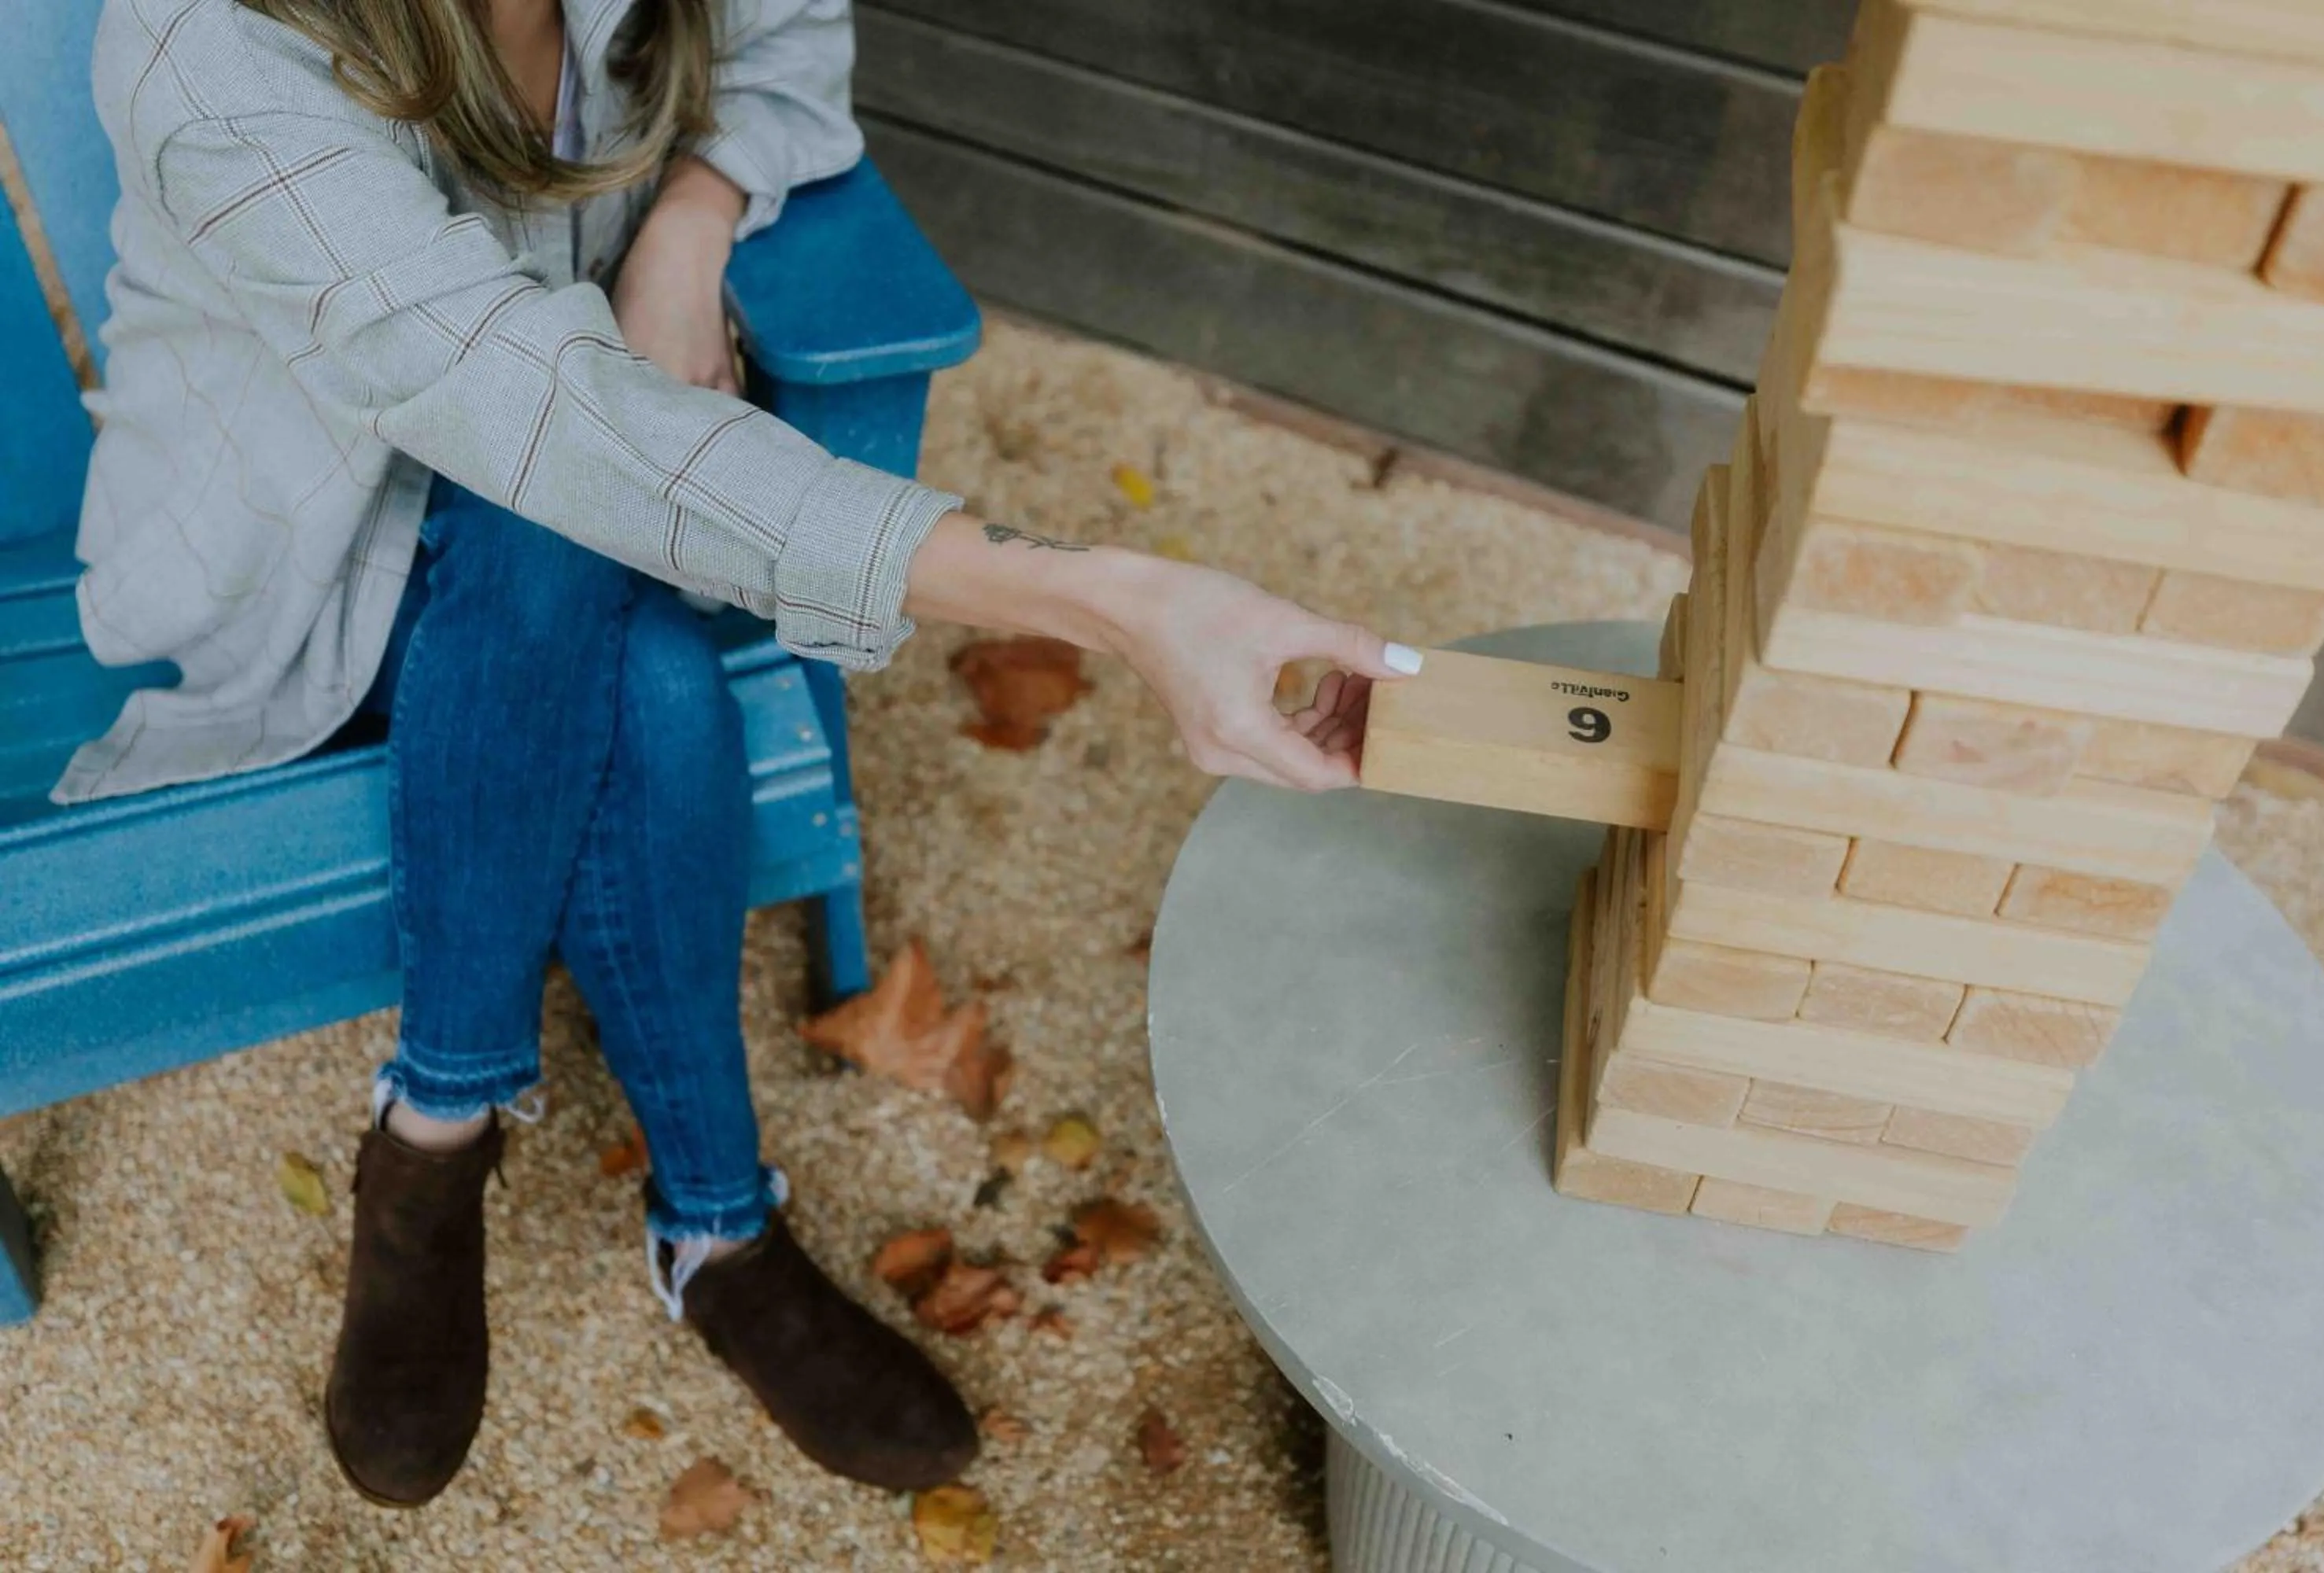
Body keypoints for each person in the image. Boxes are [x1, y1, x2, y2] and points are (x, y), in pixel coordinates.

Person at [69, 0, 1421, 1512]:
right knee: (563, 534)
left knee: (619, 623)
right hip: (316, 562)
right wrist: (1111, 592)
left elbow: (788, 39)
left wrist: (688, 224)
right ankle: (674, 1209)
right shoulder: (207, 46)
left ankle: (446, 1144)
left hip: (610, 478)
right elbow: (535, 412)